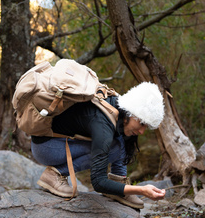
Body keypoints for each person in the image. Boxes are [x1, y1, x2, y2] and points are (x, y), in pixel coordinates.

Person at [31, 82, 166, 209]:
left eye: (146, 126)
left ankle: (118, 184)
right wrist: (141, 190)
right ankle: (56, 174)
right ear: (131, 113)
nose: (142, 131)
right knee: (115, 148)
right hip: (47, 147)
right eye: (142, 123)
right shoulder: (103, 123)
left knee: (121, 140)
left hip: (61, 142)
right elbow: (98, 182)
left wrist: (120, 188)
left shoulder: (119, 108)